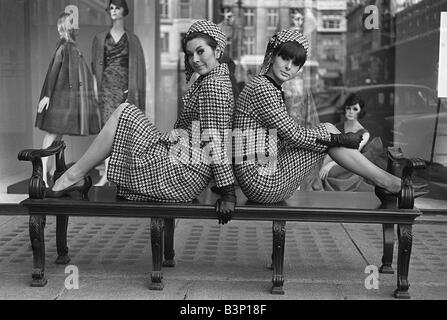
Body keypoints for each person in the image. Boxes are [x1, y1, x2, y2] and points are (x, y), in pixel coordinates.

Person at [47, 20, 236, 225]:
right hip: (181, 163)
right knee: (124, 112)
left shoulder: (213, 86)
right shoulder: (211, 80)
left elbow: (215, 140)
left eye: (201, 51)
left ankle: (72, 176)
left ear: (217, 51)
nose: (195, 59)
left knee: (124, 112)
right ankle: (74, 176)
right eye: (190, 54)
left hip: (183, 174)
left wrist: (228, 192)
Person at [232, 29, 424, 204]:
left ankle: (385, 181)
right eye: (284, 58)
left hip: (262, 173)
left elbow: (284, 136)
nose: (289, 67)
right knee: (327, 131)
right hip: (260, 181)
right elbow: (292, 135)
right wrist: (338, 139)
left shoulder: (267, 85)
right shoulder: (262, 88)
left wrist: (335, 139)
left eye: (296, 63)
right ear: (273, 56)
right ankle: (386, 181)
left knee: (327, 132)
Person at [35, 12, 100, 187]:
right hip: (60, 99)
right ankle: (41, 173)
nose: (75, 27)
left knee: (57, 136)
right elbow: (53, 72)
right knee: (52, 134)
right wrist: (47, 96)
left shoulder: (72, 47)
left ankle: (51, 171)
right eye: (72, 24)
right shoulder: (64, 48)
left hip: (68, 99)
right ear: (65, 27)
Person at [91, 0, 146, 186]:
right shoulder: (100, 38)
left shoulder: (133, 39)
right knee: (106, 130)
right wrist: (95, 89)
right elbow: (94, 66)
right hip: (106, 86)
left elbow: (139, 69)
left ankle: (121, 174)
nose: (113, 11)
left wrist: (134, 90)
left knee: (123, 129)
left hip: (125, 87)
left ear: (124, 11)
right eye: (111, 8)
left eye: (117, 8)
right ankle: (107, 173)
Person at [319, 94, 371, 182]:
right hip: (331, 159)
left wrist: (330, 165)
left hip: (350, 165)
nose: (351, 112)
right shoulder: (336, 126)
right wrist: (324, 164)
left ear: (360, 111)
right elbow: (328, 149)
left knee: (329, 173)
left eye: (355, 109)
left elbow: (353, 156)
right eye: (348, 108)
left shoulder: (364, 134)